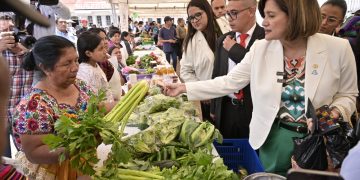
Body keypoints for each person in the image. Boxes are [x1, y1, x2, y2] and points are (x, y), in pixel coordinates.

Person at [164, 0, 357, 176]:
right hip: (272, 139)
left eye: (271, 16)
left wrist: (335, 111)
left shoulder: (338, 49)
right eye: (264, 15)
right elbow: (229, 82)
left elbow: (348, 94)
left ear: (296, 16)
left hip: (317, 144)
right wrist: (183, 88)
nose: (264, 22)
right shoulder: (260, 48)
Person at [11, 36, 91, 179]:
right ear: (45, 67)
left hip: (83, 165)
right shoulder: (33, 106)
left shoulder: (80, 85)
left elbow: (96, 108)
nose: (75, 68)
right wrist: (79, 146)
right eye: (67, 64)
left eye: (76, 60)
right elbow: (34, 153)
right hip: (53, 173)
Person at [211, 0, 265, 138]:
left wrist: (235, 50)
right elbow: (217, 74)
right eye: (227, 13)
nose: (229, 18)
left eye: (234, 13)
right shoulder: (223, 40)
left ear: (252, 11)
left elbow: (261, 70)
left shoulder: (266, 38)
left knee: (251, 153)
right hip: (226, 108)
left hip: (253, 111)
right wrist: (214, 107)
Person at [1, 13, 33, 158]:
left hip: (22, 114)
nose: (8, 25)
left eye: (10, 21)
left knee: (28, 160)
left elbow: (43, 67)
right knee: (3, 160)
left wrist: (23, 51)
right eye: (3, 21)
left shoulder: (25, 42)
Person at [179, 0, 218, 121]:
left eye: (198, 15)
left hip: (230, 97)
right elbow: (185, 71)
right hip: (207, 99)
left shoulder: (223, 31)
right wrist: (202, 91)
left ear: (208, 11)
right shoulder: (191, 41)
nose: (195, 20)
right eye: (191, 17)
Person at [76, 31, 118, 103]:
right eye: (100, 49)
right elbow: (95, 104)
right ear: (88, 53)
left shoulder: (95, 65)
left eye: (104, 48)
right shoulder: (86, 72)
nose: (105, 51)